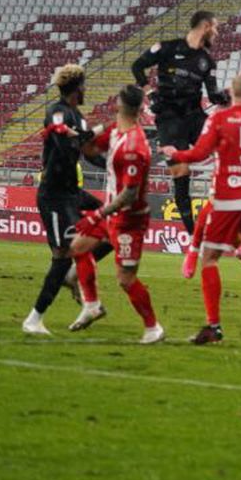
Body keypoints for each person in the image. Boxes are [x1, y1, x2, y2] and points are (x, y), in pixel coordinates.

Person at [162, 74, 241, 347]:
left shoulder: (219, 119)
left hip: (228, 197)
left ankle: (214, 326)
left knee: (211, 257)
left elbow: (199, 153)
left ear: (231, 93)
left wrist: (176, 152)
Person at [69, 85, 164, 344]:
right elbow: (88, 150)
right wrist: (87, 133)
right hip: (113, 214)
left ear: (119, 104)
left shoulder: (134, 146)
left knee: (125, 279)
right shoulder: (116, 132)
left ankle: (153, 327)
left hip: (128, 220)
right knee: (78, 248)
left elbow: (129, 195)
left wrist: (97, 214)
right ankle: (92, 306)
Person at [131, 11, 228, 239]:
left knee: (226, 148)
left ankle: (231, 207)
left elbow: (213, 96)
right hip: (169, 118)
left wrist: (231, 95)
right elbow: (137, 66)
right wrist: (150, 92)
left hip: (194, 116)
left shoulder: (207, 60)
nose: (216, 32)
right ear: (205, 26)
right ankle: (195, 237)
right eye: (215, 27)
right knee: (181, 173)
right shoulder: (167, 48)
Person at [22, 65, 104, 336]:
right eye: (84, 86)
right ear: (78, 87)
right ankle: (34, 320)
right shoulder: (57, 111)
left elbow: (87, 151)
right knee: (62, 256)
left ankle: (72, 275)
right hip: (54, 196)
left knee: (113, 220)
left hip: (72, 193)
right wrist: (75, 138)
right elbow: (60, 140)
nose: (86, 90)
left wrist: (111, 165)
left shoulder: (78, 117)